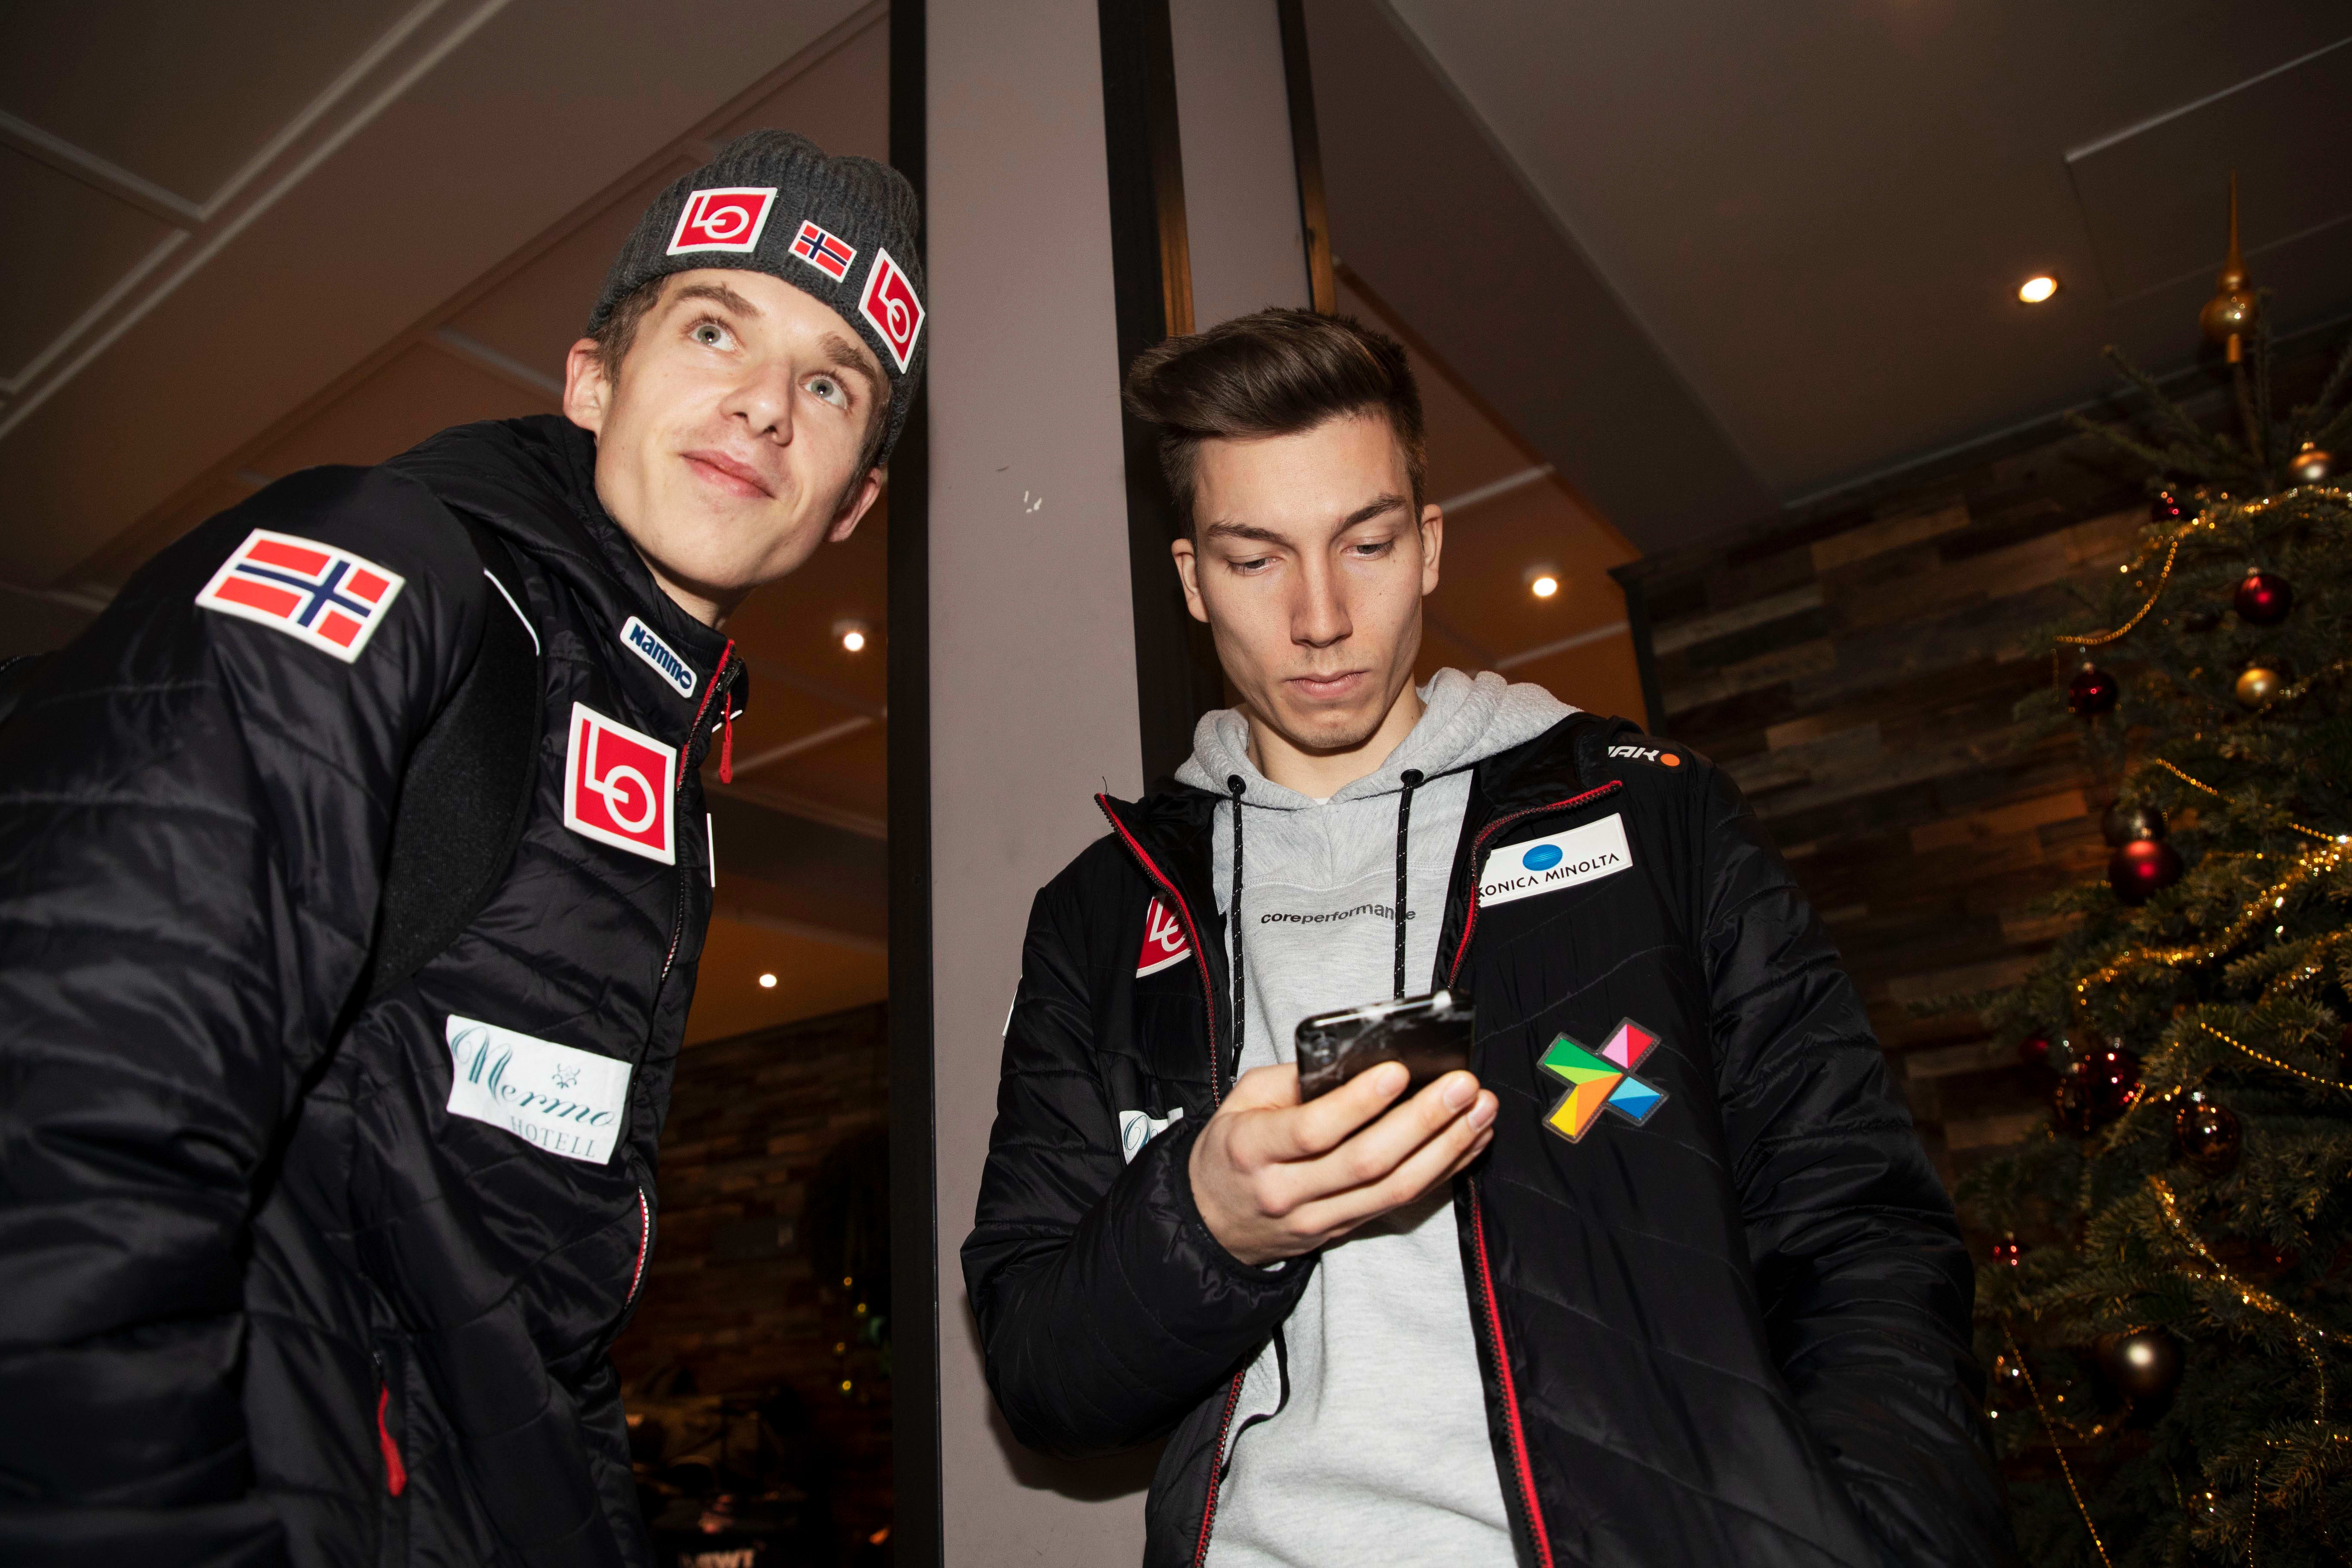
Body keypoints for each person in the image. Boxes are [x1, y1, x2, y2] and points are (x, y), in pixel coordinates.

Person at [0, 131, 923, 1567]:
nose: (762, 405)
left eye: (828, 384)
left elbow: (530, 1320)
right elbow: (66, 1117)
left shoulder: (662, 757)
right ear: (593, 381)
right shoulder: (397, 572)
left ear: (854, 500)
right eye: (712, 328)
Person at [962, 309, 2012, 1566]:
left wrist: (1883, 1543)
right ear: (1191, 579)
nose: (1320, 616)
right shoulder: (1099, 915)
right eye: (1255, 560)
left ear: (1429, 546)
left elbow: (1858, 1230)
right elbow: (1038, 1370)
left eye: (1366, 544)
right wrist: (1206, 1222)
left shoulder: (1656, 818)